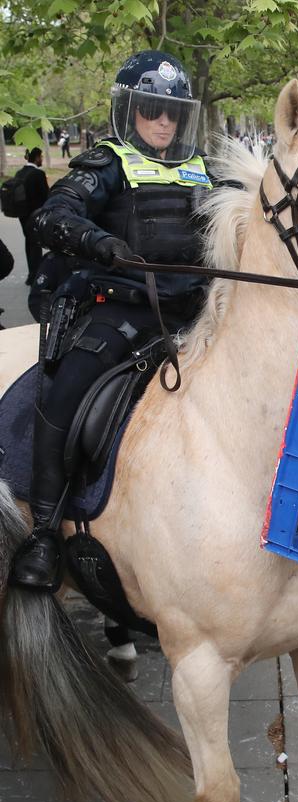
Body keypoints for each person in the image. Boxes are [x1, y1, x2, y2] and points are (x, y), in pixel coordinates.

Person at [11, 49, 216, 591]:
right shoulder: (108, 162)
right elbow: (50, 216)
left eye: (173, 111)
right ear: (130, 111)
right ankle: (45, 534)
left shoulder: (204, 170)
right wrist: (102, 242)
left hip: (197, 317)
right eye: (152, 109)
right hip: (123, 315)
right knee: (62, 397)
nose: (164, 122)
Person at [13, 148, 49, 285]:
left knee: (29, 243)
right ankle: (35, 276)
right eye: (41, 156)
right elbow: (46, 196)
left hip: (22, 215)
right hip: (35, 214)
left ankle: (31, 274)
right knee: (35, 245)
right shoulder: (38, 174)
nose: (42, 159)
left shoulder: (19, 173)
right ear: (37, 157)